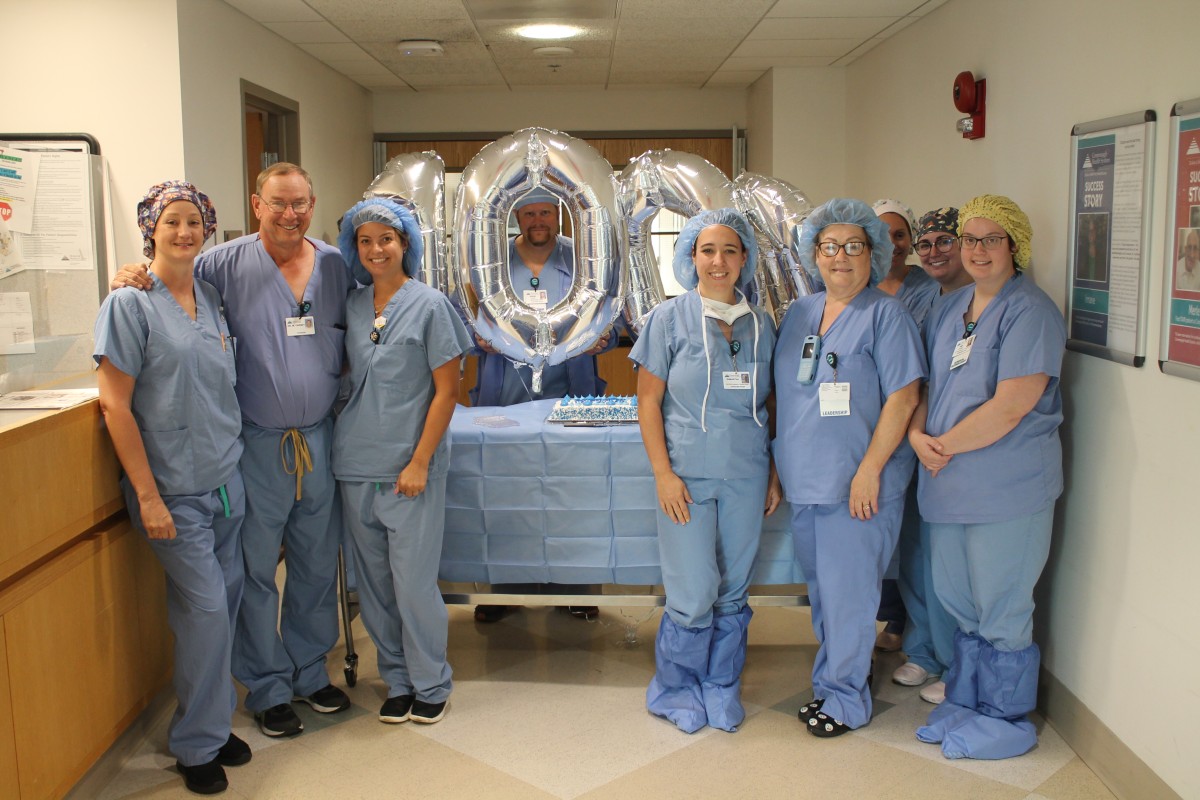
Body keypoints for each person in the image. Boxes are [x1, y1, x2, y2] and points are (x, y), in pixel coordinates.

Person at [113, 163, 352, 738]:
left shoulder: (337, 266)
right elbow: (168, 283)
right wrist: (131, 274)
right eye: (278, 203)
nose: (289, 214)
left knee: (317, 567)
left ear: (313, 205)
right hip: (253, 445)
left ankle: (309, 671)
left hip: (319, 440)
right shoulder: (222, 264)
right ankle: (267, 686)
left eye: (300, 204)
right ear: (256, 204)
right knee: (254, 572)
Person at [95, 181, 249, 795]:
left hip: (225, 479)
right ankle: (195, 745)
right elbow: (115, 406)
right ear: (150, 229)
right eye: (171, 222)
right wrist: (149, 496)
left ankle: (209, 721)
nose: (184, 232)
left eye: (194, 222)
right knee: (205, 612)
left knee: (224, 605)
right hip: (172, 490)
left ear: (208, 230)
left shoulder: (210, 297)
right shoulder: (129, 304)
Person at [909, 194, 1066, 760]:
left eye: (989, 239)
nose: (975, 250)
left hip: (1008, 487)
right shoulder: (954, 308)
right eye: (968, 239)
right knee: (959, 601)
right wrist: (916, 434)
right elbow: (928, 386)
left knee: (1001, 606)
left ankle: (1004, 717)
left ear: (1014, 247)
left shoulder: (1032, 312)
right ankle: (968, 700)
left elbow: (1012, 405)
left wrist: (941, 444)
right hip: (948, 481)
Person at [774, 198, 926, 738]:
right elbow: (786, 397)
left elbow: (904, 398)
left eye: (854, 247)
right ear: (814, 254)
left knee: (851, 596)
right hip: (807, 478)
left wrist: (869, 470)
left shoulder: (888, 315)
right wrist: (777, 468)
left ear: (874, 254)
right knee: (824, 594)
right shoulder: (798, 313)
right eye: (830, 246)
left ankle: (845, 700)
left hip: (859, 485)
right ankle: (831, 682)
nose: (841, 257)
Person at [630, 208, 781, 734]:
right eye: (707, 250)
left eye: (730, 251)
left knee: (734, 588)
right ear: (690, 257)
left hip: (746, 472)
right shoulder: (667, 319)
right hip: (687, 475)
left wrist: (773, 472)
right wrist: (663, 474)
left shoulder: (762, 324)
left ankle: (721, 684)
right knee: (693, 590)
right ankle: (676, 689)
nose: (718, 261)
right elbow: (648, 403)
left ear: (745, 260)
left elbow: (771, 403)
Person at [334, 198, 471, 725]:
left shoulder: (430, 305)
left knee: (412, 583)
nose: (375, 249)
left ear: (406, 243)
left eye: (386, 239)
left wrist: (419, 461)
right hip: (355, 462)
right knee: (372, 584)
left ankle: (431, 681)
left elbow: (446, 393)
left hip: (409, 469)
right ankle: (396, 678)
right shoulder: (350, 304)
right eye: (364, 240)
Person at [471, 187, 612, 623]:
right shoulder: (491, 262)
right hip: (506, 395)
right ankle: (505, 593)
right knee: (505, 494)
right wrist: (476, 339)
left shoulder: (584, 258)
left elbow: (611, 310)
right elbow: (465, 313)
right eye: (528, 212)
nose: (537, 220)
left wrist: (604, 335)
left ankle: (576, 588)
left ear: (560, 214)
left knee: (573, 495)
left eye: (545, 212)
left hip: (569, 392)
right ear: (515, 214)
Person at [891, 207, 973, 704]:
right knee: (918, 556)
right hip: (920, 442)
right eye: (928, 243)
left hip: (956, 452)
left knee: (951, 567)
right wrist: (916, 434)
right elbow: (919, 379)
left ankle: (953, 661)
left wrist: (934, 439)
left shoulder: (983, 302)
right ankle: (924, 652)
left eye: (947, 240)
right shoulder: (938, 301)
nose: (935, 251)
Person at [870, 198, 939, 653]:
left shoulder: (929, 291)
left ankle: (907, 626)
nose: (892, 244)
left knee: (910, 535)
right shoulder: (856, 290)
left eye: (900, 234)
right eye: (882, 234)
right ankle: (890, 618)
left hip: (913, 420)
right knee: (875, 531)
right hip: (864, 425)